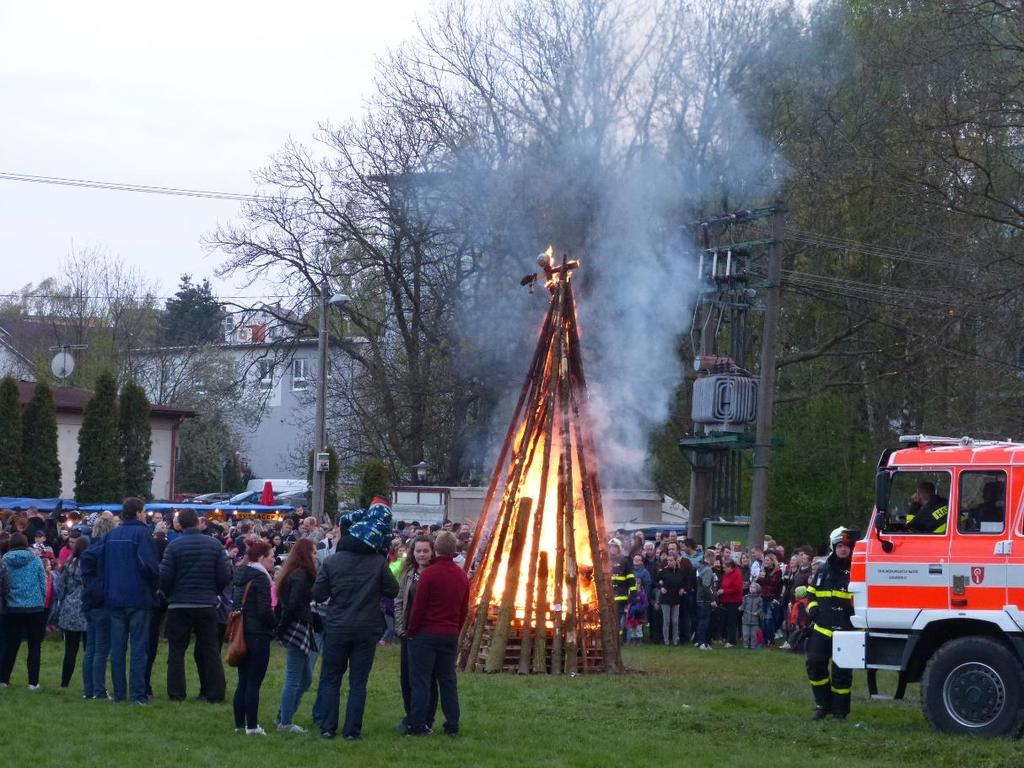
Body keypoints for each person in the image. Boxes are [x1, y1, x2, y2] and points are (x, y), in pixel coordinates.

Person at [311, 498, 399, 740]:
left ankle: (328, 727)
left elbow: (318, 594)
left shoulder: (332, 561)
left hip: (337, 626)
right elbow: (393, 590)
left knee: (331, 678)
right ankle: (352, 731)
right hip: (366, 629)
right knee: (358, 682)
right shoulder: (377, 562)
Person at [160, 507, 232, 703]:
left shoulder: (174, 546)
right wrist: (214, 591)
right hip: (206, 603)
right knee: (210, 650)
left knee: (176, 651)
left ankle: (176, 693)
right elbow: (225, 575)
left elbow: (165, 576)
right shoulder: (215, 545)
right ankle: (214, 693)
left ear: (180, 524)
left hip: (179, 603)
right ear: (198, 522)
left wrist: (169, 593)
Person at [404, 530, 469, 736]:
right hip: (449, 632)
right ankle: (452, 725)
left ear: (436, 550)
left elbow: (419, 608)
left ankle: (418, 724)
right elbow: (464, 608)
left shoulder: (428, 574)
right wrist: (455, 629)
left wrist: (411, 630)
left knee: (422, 681)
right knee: (448, 681)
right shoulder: (462, 576)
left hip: (426, 633)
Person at [102, 497, 159, 704]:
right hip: (138, 598)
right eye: (144, 511)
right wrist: (155, 584)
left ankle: (119, 694)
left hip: (115, 597)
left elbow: (101, 563)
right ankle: (137, 695)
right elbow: (148, 565)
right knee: (138, 648)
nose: (146, 515)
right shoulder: (142, 533)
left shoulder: (111, 535)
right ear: (137, 512)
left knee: (117, 649)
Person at [806, 527, 856, 720]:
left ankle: (839, 712)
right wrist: (812, 609)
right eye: (840, 546)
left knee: (841, 672)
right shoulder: (823, 569)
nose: (843, 549)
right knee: (814, 664)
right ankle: (822, 704)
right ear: (834, 547)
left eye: (847, 546)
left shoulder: (857, 569)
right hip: (822, 628)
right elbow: (812, 592)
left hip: (846, 629)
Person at [232, 540, 277, 735]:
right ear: (261, 558)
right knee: (253, 682)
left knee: (243, 680)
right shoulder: (260, 578)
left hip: (242, 633)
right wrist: (276, 625)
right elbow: (264, 611)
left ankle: (239, 724)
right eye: (271, 557)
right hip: (258, 634)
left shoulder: (241, 575)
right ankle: (252, 725)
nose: (274, 561)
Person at [275, 538, 318, 733]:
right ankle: (285, 722)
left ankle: (283, 715)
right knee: (294, 677)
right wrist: (282, 629)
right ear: (306, 554)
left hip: (297, 624)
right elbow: (292, 605)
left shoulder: (293, 573)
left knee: (305, 678)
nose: (316, 556)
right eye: (314, 553)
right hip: (297, 626)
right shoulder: (301, 576)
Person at [395, 534, 437, 731]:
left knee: (426, 677)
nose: (422, 554)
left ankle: (426, 717)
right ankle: (410, 713)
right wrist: (400, 626)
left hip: (427, 632)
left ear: (432, 552)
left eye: (425, 551)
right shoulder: (408, 573)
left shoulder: (435, 573)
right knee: (407, 678)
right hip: (408, 631)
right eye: (418, 551)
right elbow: (399, 601)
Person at [0, 533, 47, 688]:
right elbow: (43, 582)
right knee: (34, 646)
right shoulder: (36, 559)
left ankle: (4, 680)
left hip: (13, 607)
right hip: (35, 607)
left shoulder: (5, 560)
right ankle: (33, 683)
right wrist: (41, 599)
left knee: (10, 645)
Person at [80, 515, 118, 700]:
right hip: (104, 602)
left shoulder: (89, 551)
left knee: (91, 648)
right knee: (102, 649)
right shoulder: (110, 552)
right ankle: (99, 690)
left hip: (89, 602)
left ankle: (88, 690)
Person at [57, 536, 90, 691]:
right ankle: (89, 683)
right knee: (90, 651)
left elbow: (61, 587)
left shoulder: (69, 564)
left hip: (70, 607)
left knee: (70, 650)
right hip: (87, 609)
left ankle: (64, 683)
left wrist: (62, 601)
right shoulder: (91, 564)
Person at [656, 554, 685, 646]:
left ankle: (675, 640)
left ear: (676, 561)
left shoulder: (680, 572)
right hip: (665, 599)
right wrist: (661, 587)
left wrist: (682, 589)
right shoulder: (663, 571)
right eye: (668, 560)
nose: (669, 562)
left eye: (671, 560)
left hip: (676, 598)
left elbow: (684, 582)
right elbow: (655, 581)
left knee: (675, 621)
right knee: (666, 620)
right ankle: (666, 640)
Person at [694, 550, 717, 650]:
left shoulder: (699, 567)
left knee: (701, 621)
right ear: (710, 557)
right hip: (705, 599)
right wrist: (712, 599)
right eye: (714, 557)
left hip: (699, 597)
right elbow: (706, 586)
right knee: (705, 622)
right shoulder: (708, 569)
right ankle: (702, 642)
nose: (715, 560)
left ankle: (699, 641)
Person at [718, 557, 743, 647]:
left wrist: (724, 591)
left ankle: (732, 641)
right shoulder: (726, 574)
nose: (723, 569)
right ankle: (726, 638)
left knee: (732, 621)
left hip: (734, 601)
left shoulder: (737, 574)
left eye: (725, 567)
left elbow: (737, 589)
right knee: (725, 621)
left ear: (730, 567)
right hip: (726, 600)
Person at [740, 581, 762, 649]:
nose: (751, 588)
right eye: (751, 587)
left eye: (753, 587)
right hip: (746, 619)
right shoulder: (746, 597)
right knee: (745, 634)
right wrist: (740, 608)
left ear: (757, 589)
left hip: (755, 620)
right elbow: (743, 606)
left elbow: (761, 608)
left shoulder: (759, 599)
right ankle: (745, 646)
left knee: (753, 635)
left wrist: (757, 612)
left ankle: (753, 646)